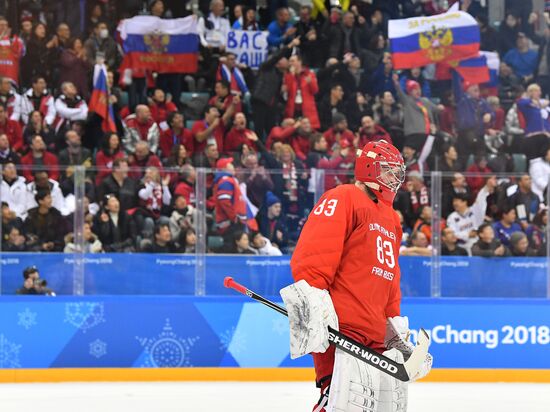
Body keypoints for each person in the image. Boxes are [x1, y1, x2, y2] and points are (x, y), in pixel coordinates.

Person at [280, 140, 432, 411]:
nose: (394, 179)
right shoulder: (344, 196)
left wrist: (392, 321)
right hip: (341, 326)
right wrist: (312, 298)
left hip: (374, 331)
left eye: (397, 172)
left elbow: (390, 274)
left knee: (375, 406)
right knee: (340, 401)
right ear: (369, 168)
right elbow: (315, 252)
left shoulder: (391, 219)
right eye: (388, 170)